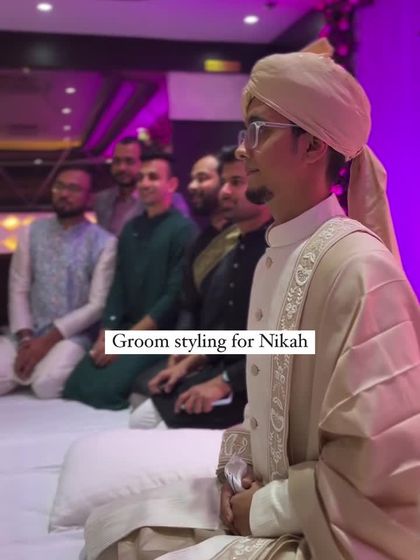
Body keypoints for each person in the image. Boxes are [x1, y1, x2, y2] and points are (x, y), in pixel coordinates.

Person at [84, 40, 420, 560]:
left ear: (313, 146)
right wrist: (237, 476)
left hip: (330, 528)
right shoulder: (275, 255)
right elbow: (266, 401)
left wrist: (263, 509)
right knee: (110, 529)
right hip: (272, 493)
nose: (242, 149)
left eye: (259, 130)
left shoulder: (359, 269)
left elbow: (383, 461)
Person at [130, 146, 270, 430]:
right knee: (141, 413)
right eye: (225, 182)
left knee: (147, 424)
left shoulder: (276, 248)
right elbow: (220, 324)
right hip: (225, 364)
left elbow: (289, 341)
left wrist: (224, 382)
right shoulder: (233, 242)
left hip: (261, 384)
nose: (225, 192)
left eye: (236, 182)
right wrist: (190, 359)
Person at [63, 152, 197, 410]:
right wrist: (107, 334)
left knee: (106, 392)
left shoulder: (184, 230)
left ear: (171, 184)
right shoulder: (131, 227)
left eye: (153, 177)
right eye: (141, 177)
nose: (144, 183)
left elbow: (172, 298)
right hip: (125, 328)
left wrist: (124, 341)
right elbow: (118, 286)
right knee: (75, 385)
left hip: (160, 334)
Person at [0, 166, 116, 399]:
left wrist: (47, 342)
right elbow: (18, 287)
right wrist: (26, 340)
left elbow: (98, 304)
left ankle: (34, 369)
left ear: (89, 198)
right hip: (27, 330)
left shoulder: (104, 242)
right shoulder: (32, 231)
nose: (64, 194)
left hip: (71, 335)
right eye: (59, 187)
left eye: (73, 189)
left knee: (46, 384)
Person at [94, 137, 190, 236]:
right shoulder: (101, 199)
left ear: (145, 164)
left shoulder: (169, 198)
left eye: (129, 161)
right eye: (117, 161)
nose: (122, 168)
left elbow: (183, 235)